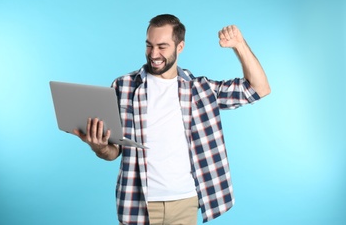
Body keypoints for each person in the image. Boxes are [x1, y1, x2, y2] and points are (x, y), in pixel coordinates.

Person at [74, 14, 271, 225]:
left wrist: (239, 45)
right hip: (137, 203)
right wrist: (100, 147)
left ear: (180, 47)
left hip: (185, 203)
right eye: (149, 46)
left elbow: (259, 88)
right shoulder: (123, 87)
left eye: (162, 46)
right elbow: (113, 152)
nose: (153, 54)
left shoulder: (200, 90)